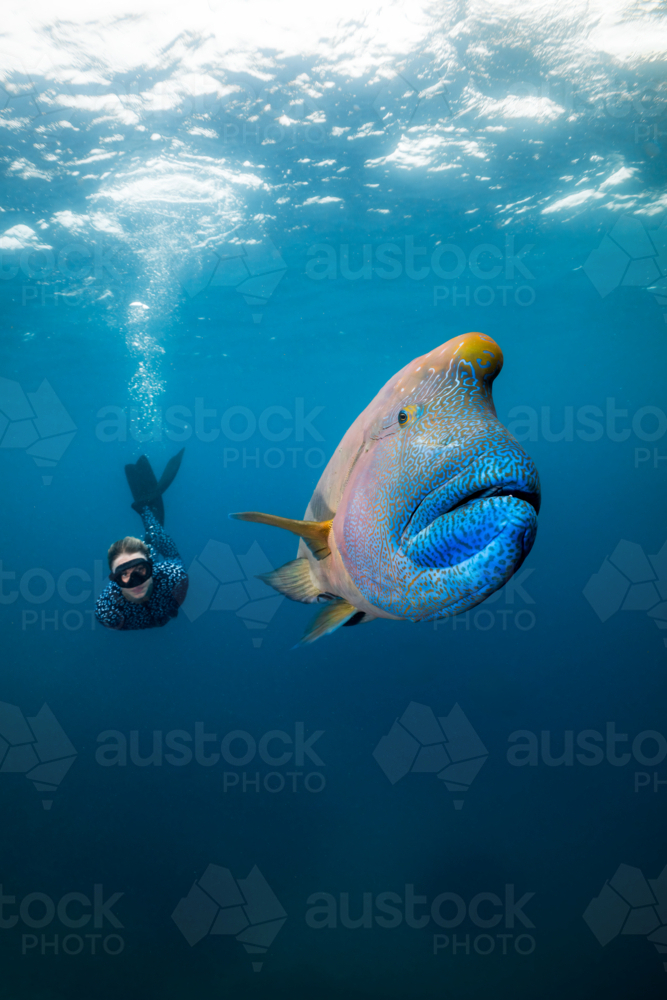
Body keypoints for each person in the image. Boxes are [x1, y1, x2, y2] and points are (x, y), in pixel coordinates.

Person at [95, 449, 188, 631]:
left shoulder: (172, 576)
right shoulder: (109, 607)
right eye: (124, 575)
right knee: (153, 536)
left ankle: (145, 510)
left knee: (155, 536)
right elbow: (104, 615)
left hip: (160, 564)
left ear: (151, 567)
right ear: (114, 580)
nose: (136, 581)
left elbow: (173, 561)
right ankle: (146, 509)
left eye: (140, 570)